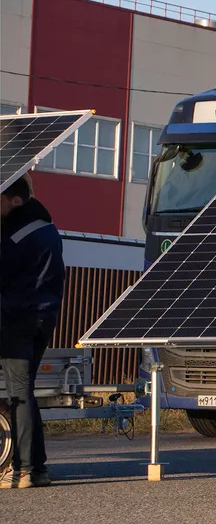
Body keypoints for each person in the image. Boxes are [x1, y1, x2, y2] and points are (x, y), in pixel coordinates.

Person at [0, 174, 64, 488]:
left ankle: (21, 470)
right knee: (26, 391)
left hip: (16, 321)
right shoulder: (47, 228)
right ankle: (38, 469)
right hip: (43, 319)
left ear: (15, 200)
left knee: (18, 393)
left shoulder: (14, 237)